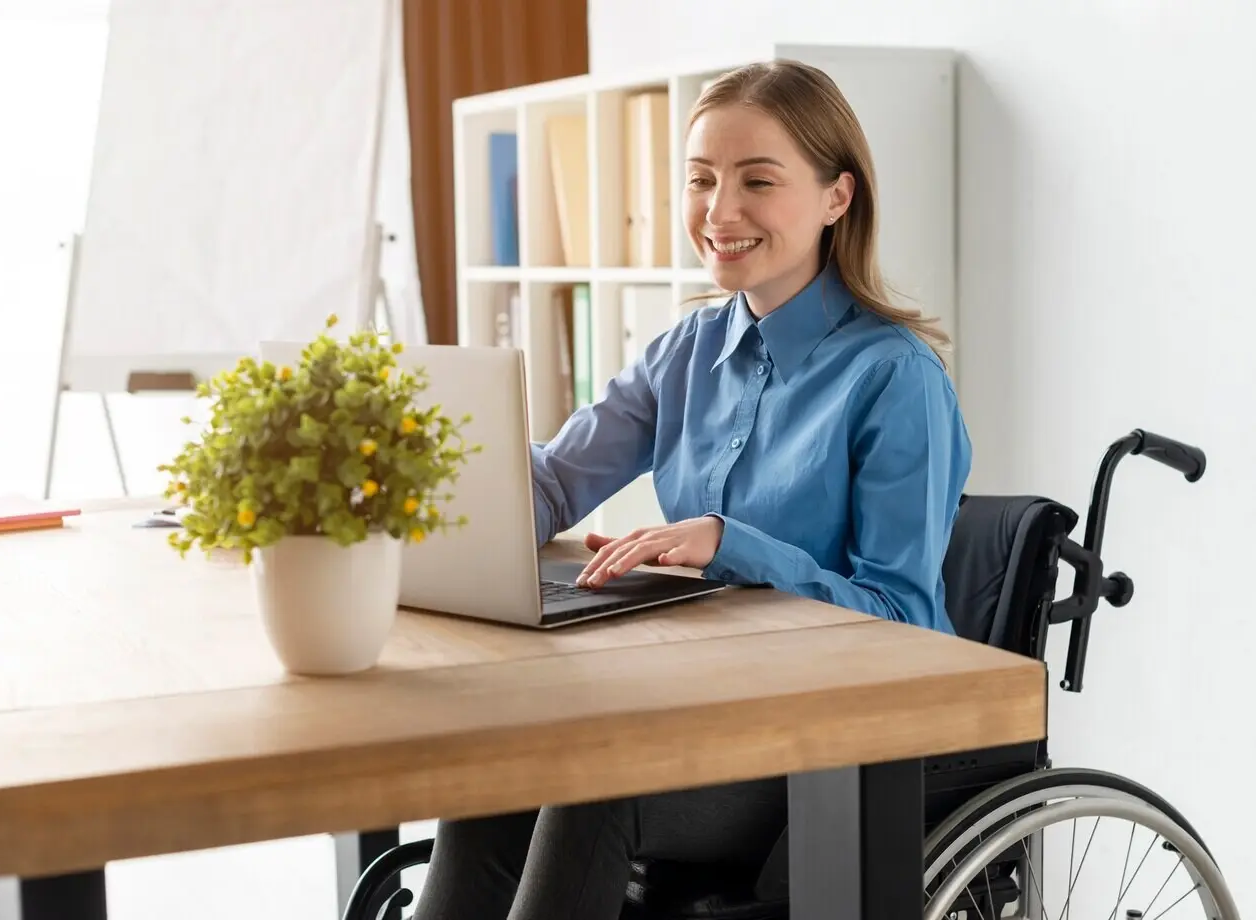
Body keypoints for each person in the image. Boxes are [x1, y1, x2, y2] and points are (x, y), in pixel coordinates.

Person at [415, 59, 972, 920]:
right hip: (702, 705)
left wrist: (730, 541)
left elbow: (908, 623)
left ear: (836, 197)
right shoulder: (685, 352)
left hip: (830, 745)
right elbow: (558, 482)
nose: (720, 213)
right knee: (493, 775)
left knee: (587, 784)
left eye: (757, 181)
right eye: (701, 180)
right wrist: (419, 494)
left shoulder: (896, 380)